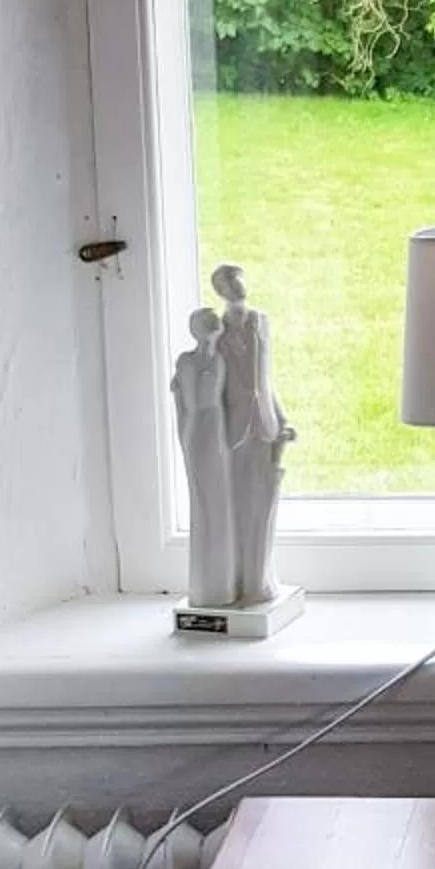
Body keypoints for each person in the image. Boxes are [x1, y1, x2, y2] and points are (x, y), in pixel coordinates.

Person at [210, 261, 297, 606]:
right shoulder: (216, 331)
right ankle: (238, 576)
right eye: (229, 283)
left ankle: (260, 577)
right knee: (237, 500)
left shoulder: (260, 322)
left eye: (238, 279)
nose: (237, 287)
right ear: (220, 291)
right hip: (232, 425)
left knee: (263, 496)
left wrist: (281, 417)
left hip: (263, 422)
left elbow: (265, 378)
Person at [170, 307, 237, 609]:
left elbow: (221, 403)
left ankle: (221, 580)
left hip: (216, 429)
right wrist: (188, 438)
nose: (213, 329)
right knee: (203, 501)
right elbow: (193, 405)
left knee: (221, 501)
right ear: (197, 330)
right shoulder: (187, 361)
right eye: (208, 325)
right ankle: (205, 583)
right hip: (198, 430)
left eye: (215, 325)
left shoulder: (220, 360)